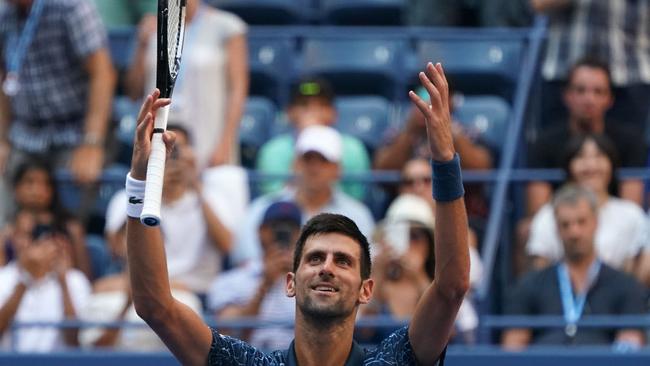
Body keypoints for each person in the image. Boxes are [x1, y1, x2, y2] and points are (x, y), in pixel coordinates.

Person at [124, 62, 469, 365]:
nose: (327, 268)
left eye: (343, 261)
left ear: (367, 290)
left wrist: (443, 162)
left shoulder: (389, 362)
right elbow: (156, 306)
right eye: (316, 258)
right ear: (291, 282)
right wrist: (141, 182)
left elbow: (451, 287)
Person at [0, 0, 116, 225]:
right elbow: (4, 80)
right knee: (7, 218)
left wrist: (92, 142)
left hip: (75, 131)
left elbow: (102, 73)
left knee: (66, 220)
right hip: (26, 134)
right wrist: (2, 140)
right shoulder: (4, 13)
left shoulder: (71, 6)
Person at [502, 184, 646, 349]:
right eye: (566, 224)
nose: (574, 233)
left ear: (596, 222)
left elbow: (630, 347)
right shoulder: (529, 285)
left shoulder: (625, 286)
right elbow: (512, 348)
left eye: (581, 222)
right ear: (556, 229)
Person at [126, 0, 248, 169]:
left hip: (209, 133)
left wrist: (225, 141)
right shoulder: (152, 26)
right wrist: (142, 44)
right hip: (161, 131)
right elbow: (133, 92)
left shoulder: (227, 25)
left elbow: (238, 90)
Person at [233, 124, 375, 266]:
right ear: (294, 164)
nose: (314, 168)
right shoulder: (261, 208)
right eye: (308, 159)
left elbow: (365, 268)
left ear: (337, 169)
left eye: (323, 161)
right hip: (267, 286)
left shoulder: (357, 215)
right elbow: (245, 261)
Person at [527, 58, 647, 214]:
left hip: (616, 230)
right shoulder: (543, 144)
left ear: (610, 99)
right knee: (525, 229)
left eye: (598, 91)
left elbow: (632, 211)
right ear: (566, 95)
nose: (589, 100)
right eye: (580, 90)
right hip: (563, 227)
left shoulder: (631, 142)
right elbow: (537, 215)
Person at [526, 134, 649, 283]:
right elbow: (540, 271)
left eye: (599, 156)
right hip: (560, 300)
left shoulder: (631, 214)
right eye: (581, 157)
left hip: (618, 301)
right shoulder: (548, 215)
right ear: (569, 167)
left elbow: (636, 276)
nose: (591, 166)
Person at [362, 194, 479, 345]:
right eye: (399, 234)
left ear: (430, 243)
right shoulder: (376, 286)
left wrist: (419, 278)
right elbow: (363, 332)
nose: (409, 243)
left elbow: (450, 335)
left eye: (416, 236)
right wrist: (378, 276)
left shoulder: (446, 285)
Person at [531, 0, 650, 130]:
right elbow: (539, 3)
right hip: (564, 72)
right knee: (557, 148)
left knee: (626, 148)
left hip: (631, 73)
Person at [256, 77, 371, 200]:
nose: (313, 111)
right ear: (289, 113)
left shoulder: (353, 149)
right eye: (304, 105)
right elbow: (274, 199)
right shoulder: (273, 150)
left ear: (334, 113)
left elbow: (356, 197)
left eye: (322, 105)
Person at [207, 201, 302, 351]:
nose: (284, 232)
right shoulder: (230, 281)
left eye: (291, 228)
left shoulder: (311, 280)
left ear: (300, 235)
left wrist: (300, 276)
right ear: (260, 231)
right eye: (275, 226)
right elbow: (228, 334)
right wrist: (265, 284)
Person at [0, 224, 91, 352]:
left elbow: (75, 340)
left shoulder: (75, 280)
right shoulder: (3, 277)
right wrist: (26, 279)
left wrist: (63, 281)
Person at [0, 160, 92, 279]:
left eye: (44, 184)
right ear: (16, 189)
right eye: (30, 182)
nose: (37, 190)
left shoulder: (71, 229)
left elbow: (85, 278)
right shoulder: (7, 234)